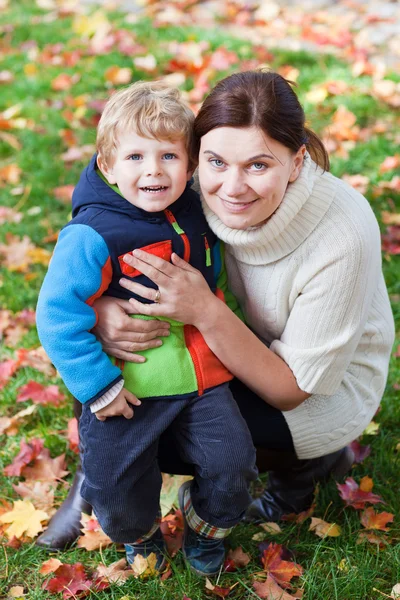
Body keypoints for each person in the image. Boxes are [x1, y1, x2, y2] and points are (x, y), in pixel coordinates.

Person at [36, 70, 395, 551]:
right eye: (215, 161)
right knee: (108, 364)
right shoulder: (180, 184)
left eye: (259, 166)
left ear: (296, 162)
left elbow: (292, 390)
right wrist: (100, 309)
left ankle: (311, 461)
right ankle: (95, 484)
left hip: (311, 388)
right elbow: (106, 197)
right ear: (194, 157)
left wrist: (204, 310)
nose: (232, 187)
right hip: (217, 343)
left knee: (166, 431)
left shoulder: (340, 233)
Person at [36, 81, 258, 576]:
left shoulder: (199, 214)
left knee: (234, 465)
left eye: (168, 156)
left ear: (191, 164)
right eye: (135, 157)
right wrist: (99, 386)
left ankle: (204, 527)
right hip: (126, 387)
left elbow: (219, 284)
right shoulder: (93, 233)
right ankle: (140, 536)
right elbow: (56, 315)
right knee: (115, 485)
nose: (153, 170)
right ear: (108, 167)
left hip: (202, 381)